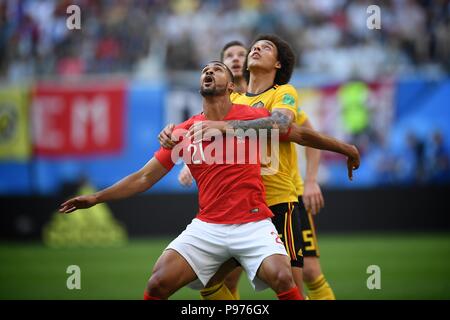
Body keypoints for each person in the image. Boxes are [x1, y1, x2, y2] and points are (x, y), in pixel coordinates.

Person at [159, 35, 335, 300]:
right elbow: (208, 142)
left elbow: (302, 134)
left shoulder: (281, 95)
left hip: (284, 198)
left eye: (242, 53)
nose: (238, 58)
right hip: (244, 205)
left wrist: (311, 179)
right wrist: (188, 160)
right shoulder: (230, 103)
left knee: (303, 275)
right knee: (218, 281)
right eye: (229, 57)